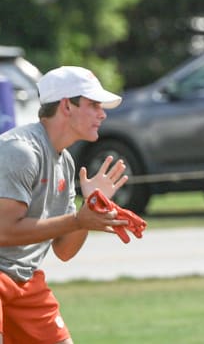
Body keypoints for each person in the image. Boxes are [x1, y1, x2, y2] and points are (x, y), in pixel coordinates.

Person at [0, 65, 131, 343]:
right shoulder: (21, 151)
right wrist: (78, 220)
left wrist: (93, 205)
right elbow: (5, 232)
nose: (102, 113)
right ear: (65, 106)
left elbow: (65, 250)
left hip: (24, 280)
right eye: (93, 104)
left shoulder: (66, 162)